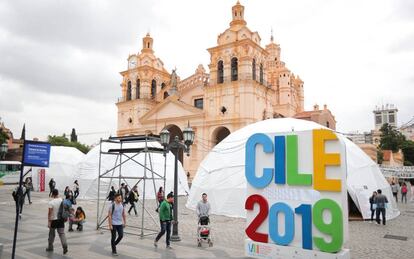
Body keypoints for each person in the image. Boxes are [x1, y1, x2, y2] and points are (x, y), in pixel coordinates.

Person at [47, 189, 68, 254]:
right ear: (58, 193)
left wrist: (49, 222)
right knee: (62, 234)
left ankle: (50, 247)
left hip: (53, 221)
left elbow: (49, 213)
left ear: (52, 194)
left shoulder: (51, 202)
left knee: (51, 234)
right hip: (61, 220)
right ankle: (64, 245)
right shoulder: (62, 200)